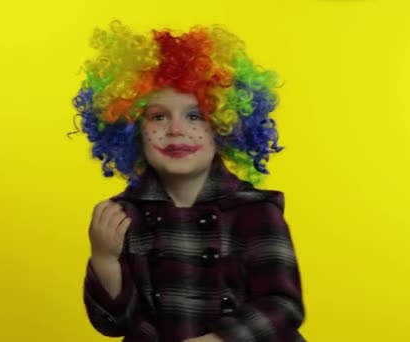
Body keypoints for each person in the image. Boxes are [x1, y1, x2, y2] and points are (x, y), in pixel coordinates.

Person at [71, 20, 307, 342]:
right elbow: (114, 325)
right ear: (131, 128)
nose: (176, 130)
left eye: (195, 116)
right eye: (158, 117)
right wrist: (104, 258)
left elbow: (283, 305)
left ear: (226, 126)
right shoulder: (123, 216)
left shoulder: (255, 212)